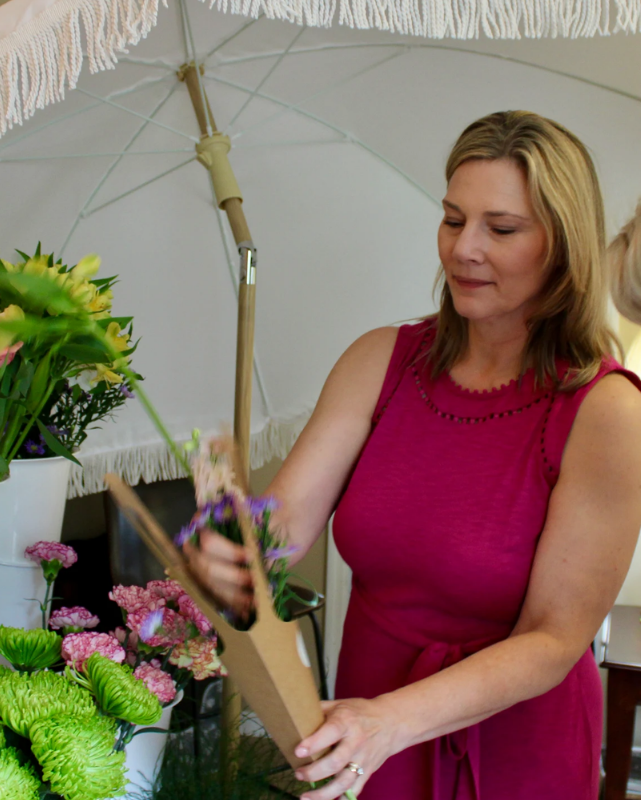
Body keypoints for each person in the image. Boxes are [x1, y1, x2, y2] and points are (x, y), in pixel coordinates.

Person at [184, 110, 641, 800]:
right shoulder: (380, 361)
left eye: (501, 228)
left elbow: (553, 638)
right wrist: (226, 536)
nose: (463, 249)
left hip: (510, 750)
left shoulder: (606, 413)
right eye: (453, 219)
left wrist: (390, 721)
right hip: (363, 727)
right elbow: (279, 532)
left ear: (562, 245)